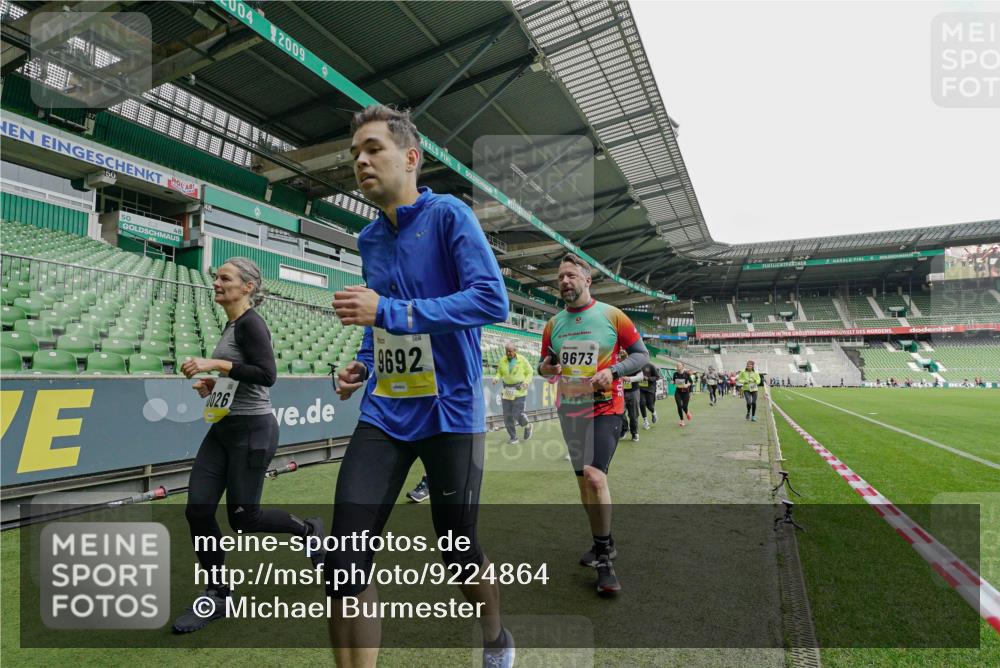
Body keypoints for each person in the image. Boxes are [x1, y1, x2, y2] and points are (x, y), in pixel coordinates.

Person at [328, 105, 513, 667]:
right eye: (355, 153)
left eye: (373, 149)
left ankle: (496, 639)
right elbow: (379, 325)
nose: (361, 160)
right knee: (343, 563)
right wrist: (362, 365)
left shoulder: (450, 214)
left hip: (450, 412)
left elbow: (491, 300)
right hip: (385, 411)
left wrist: (389, 310)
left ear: (410, 158)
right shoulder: (368, 238)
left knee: (459, 552)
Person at [173, 258, 323, 633]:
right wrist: (215, 385)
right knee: (198, 511)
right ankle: (218, 593)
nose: (217, 282)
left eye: (225, 278)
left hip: (253, 432)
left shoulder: (252, 323)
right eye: (216, 277)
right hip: (223, 430)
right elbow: (242, 376)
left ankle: (308, 531)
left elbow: (267, 375)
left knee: (244, 519)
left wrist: (215, 365)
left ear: (248, 287)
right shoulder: (231, 325)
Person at [538, 253, 649, 595]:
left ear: (587, 280)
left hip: (605, 407)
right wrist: (546, 368)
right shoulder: (553, 325)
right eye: (560, 277)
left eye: (571, 275)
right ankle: (604, 540)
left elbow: (642, 355)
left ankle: (604, 559)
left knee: (595, 476)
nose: (564, 281)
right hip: (571, 410)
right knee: (584, 485)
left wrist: (613, 371)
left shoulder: (612, 316)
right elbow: (544, 365)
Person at [493, 342, 534, 444]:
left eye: (510, 351)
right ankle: (513, 437)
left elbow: (530, 372)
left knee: (517, 414)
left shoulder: (522, 360)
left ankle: (527, 426)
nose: (508, 353)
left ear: (515, 350)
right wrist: (496, 378)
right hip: (507, 391)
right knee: (507, 415)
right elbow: (499, 372)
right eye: (506, 351)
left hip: (519, 391)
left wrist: (526, 382)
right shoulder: (502, 360)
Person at [617, 349, 642, 442]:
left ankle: (634, 433)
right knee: (620, 412)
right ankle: (624, 429)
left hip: (633, 392)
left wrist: (629, 379)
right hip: (620, 392)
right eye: (621, 350)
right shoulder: (616, 363)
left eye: (624, 350)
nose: (622, 352)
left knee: (633, 414)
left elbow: (641, 376)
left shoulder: (634, 363)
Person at [638, 361, 660, 429]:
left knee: (649, 405)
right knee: (642, 403)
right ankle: (645, 421)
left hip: (650, 389)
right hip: (641, 388)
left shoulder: (651, 366)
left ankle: (654, 413)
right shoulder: (637, 365)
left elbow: (657, 377)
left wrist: (648, 378)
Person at [672, 362, 693, 427]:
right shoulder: (675, 374)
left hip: (685, 392)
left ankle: (687, 412)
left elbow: (691, 382)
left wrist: (687, 385)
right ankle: (682, 420)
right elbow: (674, 381)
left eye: (679, 365)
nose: (678, 366)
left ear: (682, 366)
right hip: (678, 392)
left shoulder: (686, 374)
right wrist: (673, 382)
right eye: (677, 365)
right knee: (679, 406)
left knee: (684, 407)